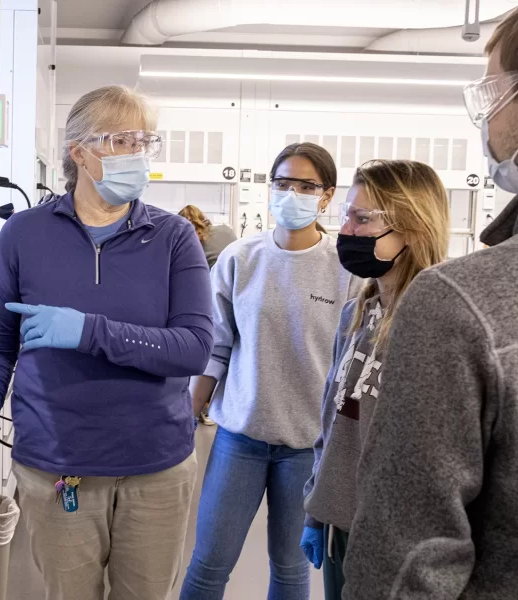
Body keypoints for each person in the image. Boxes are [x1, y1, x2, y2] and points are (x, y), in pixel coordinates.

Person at [0, 85, 214, 600]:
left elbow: (195, 347)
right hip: (56, 463)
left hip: (155, 464)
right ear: (79, 150)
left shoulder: (173, 237)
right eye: (122, 140)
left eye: (145, 142)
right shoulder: (23, 235)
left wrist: (90, 331)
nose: (138, 154)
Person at [342, 11, 518, 598]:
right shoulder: (362, 309)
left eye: (494, 91)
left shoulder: (453, 306)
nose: (344, 230)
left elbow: (413, 550)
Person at [181, 142, 362, 600]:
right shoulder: (241, 259)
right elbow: (214, 348)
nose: (292, 194)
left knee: (290, 569)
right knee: (208, 564)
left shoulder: (346, 269)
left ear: (327, 195)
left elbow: (350, 369)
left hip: (307, 448)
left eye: (306, 185)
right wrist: (187, 416)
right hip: (239, 438)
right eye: (282, 184)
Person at [299, 160, 450, 600]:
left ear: (414, 226)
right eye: (346, 215)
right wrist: (316, 506)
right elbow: (334, 421)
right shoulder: (356, 314)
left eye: (362, 219)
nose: (345, 230)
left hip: (400, 539)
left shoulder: (437, 323)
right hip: (339, 519)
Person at [179, 204, 237, 426]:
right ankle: (207, 406)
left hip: (211, 298)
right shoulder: (225, 231)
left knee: (206, 351)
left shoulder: (187, 238)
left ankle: (198, 406)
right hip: (234, 297)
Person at [179, 205, 237, 269]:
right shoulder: (226, 229)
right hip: (239, 274)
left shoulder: (190, 242)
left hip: (214, 277)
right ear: (202, 217)